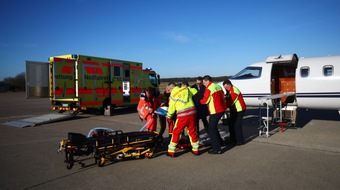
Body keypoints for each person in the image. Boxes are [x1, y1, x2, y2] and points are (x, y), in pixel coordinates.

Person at [166, 81, 199, 157]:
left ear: (171, 88)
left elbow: (171, 108)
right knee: (192, 131)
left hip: (182, 115)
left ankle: (171, 151)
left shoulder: (173, 95)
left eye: (169, 89)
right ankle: (195, 149)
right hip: (193, 113)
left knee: (176, 132)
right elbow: (195, 91)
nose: (169, 91)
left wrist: (169, 116)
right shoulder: (186, 89)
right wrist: (188, 87)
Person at [200, 75, 226, 154]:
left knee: (211, 130)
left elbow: (205, 101)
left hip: (215, 111)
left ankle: (216, 149)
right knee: (214, 128)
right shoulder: (217, 86)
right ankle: (220, 142)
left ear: (207, 81)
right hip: (221, 109)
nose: (204, 85)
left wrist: (199, 101)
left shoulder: (209, 89)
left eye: (204, 83)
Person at [223, 79, 246, 145]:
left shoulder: (234, 91)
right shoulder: (229, 90)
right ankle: (233, 139)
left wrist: (223, 107)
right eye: (225, 88)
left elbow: (231, 102)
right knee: (231, 124)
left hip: (239, 110)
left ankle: (240, 141)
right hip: (234, 110)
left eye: (227, 87)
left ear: (229, 85)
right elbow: (227, 97)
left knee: (237, 126)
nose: (226, 89)